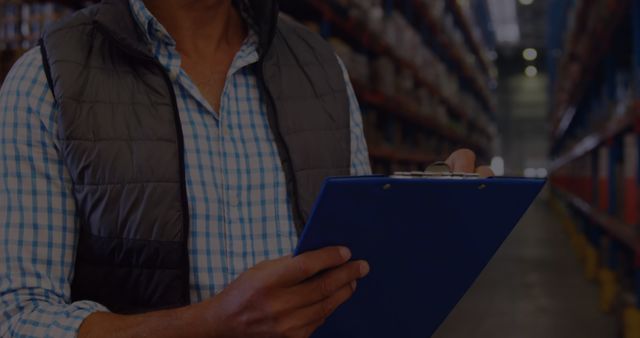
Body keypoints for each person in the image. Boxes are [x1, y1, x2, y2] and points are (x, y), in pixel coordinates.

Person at [0, 0, 492, 336]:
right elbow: (17, 317)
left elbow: (350, 281)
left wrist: (428, 233)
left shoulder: (321, 70)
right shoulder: (47, 79)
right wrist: (209, 326)